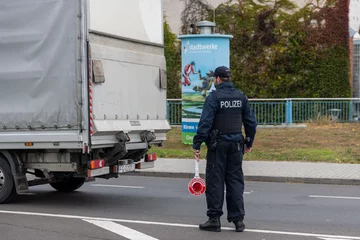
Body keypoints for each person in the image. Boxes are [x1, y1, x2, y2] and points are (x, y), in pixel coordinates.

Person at [192, 66, 257, 232]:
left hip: (217, 146)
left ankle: (214, 219)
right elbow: (251, 122)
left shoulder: (214, 97)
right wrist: (248, 142)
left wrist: (197, 144)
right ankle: (238, 221)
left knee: (215, 181)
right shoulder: (241, 97)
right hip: (236, 145)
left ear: (217, 79)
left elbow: (205, 123)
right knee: (235, 181)